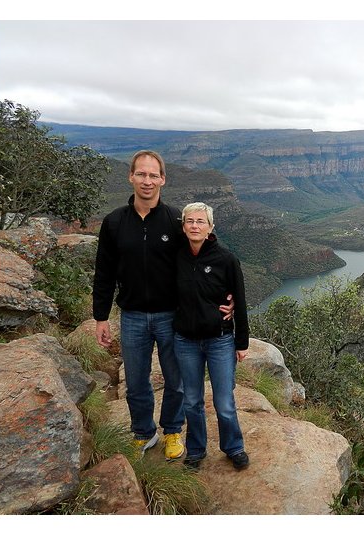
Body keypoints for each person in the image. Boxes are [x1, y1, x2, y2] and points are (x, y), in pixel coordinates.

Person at [92, 150, 233, 460]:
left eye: (153, 175)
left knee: (176, 379)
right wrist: (100, 317)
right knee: (137, 379)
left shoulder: (173, 220)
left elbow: (205, 255)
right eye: (141, 174)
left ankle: (172, 431)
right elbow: (104, 272)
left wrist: (228, 295)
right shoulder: (114, 222)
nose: (147, 180)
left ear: (163, 180)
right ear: (130, 176)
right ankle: (143, 433)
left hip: (172, 315)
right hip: (131, 316)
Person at [173, 202, 250, 471]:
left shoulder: (226, 259)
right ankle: (196, 450)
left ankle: (234, 447)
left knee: (223, 400)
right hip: (185, 340)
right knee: (192, 400)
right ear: (182, 226)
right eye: (190, 221)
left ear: (211, 228)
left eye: (201, 222)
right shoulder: (175, 256)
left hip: (219, 340)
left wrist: (242, 342)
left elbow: (239, 300)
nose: (195, 226)